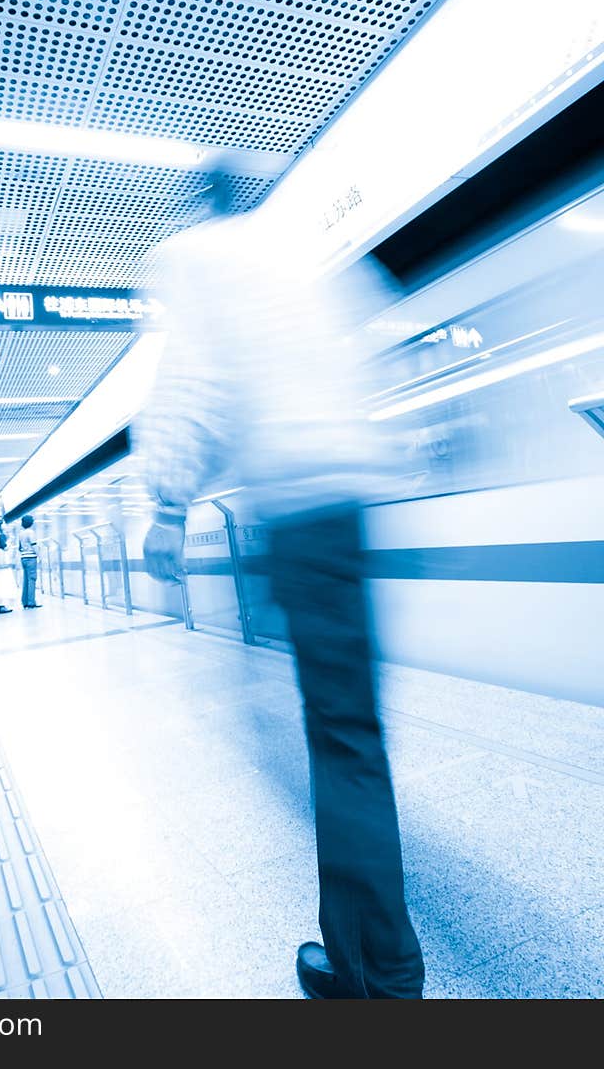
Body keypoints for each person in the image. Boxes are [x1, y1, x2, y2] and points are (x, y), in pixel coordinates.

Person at [138, 169, 424, 1000]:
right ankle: (373, 958)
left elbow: (193, 383)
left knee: (337, 742)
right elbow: (374, 363)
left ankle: (376, 976)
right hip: (352, 504)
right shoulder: (307, 258)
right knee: (357, 736)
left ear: (199, 203)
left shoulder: (192, 257)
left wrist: (166, 502)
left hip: (297, 508)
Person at [18, 514, 41, 609]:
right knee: (32, 579)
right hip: (31, 558)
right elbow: (34, 545)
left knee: (26, 580)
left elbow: (20, 548)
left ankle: (25, 601)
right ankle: (31, 602)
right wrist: (40, 556)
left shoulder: (21, 533)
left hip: (23, 558)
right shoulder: (31, 532)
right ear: (31, 523)